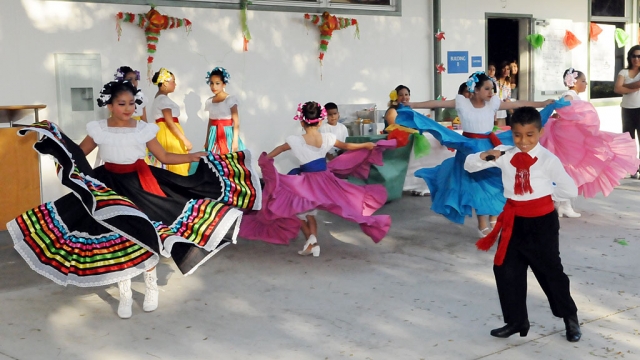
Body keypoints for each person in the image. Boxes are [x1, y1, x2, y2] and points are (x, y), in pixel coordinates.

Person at [7, 80, 261, 319]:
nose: (128, 108)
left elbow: (164, 156)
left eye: (132, 103)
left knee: (146, 235)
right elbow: (78, 155)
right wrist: (56, 143)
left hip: (142, 184)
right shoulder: (98, 129)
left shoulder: (143, 129)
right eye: (122, 104)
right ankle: (125, 293)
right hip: (109, 187)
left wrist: (191, 156)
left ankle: (151, 286)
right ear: (109, 105)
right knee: (121, 238)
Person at [464, 106, 581, 343]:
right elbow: (469, 165)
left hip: (542, 223)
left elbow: (570, 189)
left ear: (539, 132)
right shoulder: (504, 154)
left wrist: (544, 198)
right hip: (514, 222)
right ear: (512, 133)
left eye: (530, 135)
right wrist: (487, 155)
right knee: (506, 270)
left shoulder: (548, 159)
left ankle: (569, 317)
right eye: (517, 135)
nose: (523, 141)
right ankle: (517, 321)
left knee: (550, 273)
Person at [402, 71, 553, 236]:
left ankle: (494, 218)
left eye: (492, 89)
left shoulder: (493, 103)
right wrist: (413, 105)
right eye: (487, 89)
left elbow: (517, 104)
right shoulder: (462, 103)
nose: (491, 93)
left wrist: (542, 103)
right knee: (477, 186)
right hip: (469, 149)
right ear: (476, 89)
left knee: (498, 179)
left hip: (490, 146)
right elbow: (436, 104)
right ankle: (482, 224)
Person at [239, 101, 391, 256]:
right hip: (325, 181)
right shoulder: (328, 138)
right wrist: (366, 145)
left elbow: (279, 149)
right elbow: (348, 147)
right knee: (311, 213)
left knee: (296, 211)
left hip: (306, 183)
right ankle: (313, 242)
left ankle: (312, 241)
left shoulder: (295, 140)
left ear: (301, 121)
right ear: (320, 121)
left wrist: (265, 158)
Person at [542, 68, 640, 216]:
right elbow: (562, 104)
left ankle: (562, 204)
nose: (586, 84)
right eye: (583, 81)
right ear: (574, 82)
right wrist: (561, 112)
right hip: (568, 138)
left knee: (568, 169)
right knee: (570, 168)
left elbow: (563, 109)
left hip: (569, 137)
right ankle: (564, 204)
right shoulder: (570, 95)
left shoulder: (572, 95)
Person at [384, 85, 451, 196]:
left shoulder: (408, 109)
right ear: (395, 97)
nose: (404, 97)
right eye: (401, 95)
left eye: (406, 95)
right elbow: (394, 127)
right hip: (397, 143)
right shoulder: (392, 110)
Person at [150, 67, 193, 175]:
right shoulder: (163, 99)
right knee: (177, 163)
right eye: (173, 81)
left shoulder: (159, 98)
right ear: (164, 83)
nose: (175, 84)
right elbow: (169, 121)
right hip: (169, 134)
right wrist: (184, 139)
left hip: (165, 132)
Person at [204, 66, 245, 154]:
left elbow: (236, 122)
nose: (214, 86)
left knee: (228, 160)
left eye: (217, 83)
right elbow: (210, 122)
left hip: (227, 135)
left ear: (224, 84)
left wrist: (235, 141)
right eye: (211, 83)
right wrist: (207, 140)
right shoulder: (209, 101)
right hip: (213, 135)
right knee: (214, 160)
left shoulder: (230, 99)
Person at [614, 45, 640, 179]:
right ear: (629, 57)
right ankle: (632, 167)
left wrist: (625, 87)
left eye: (639, 56)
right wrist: (632, 87)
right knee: (628, 140)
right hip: (627, 109)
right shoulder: (623, 72)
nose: (636, 59)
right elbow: (617, 89)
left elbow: (623, 87)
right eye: (633, 56)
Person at [495, 61, 512, 126]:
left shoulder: (508, 83)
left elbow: (508, 98)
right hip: (494, 112)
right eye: (504, 68)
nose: (505, 71)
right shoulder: (494, 80)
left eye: (508, 69)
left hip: (502, 112)